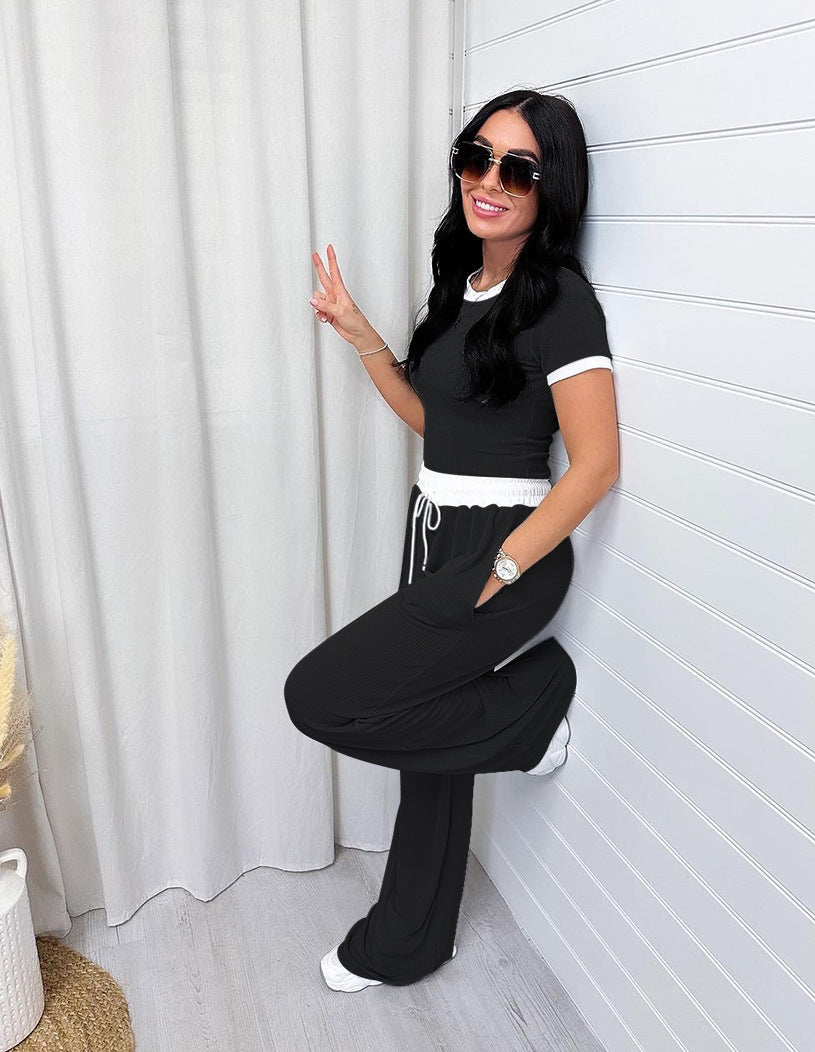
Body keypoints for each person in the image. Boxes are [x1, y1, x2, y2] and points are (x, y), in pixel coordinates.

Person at [283, 88, 619, 992]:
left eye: (519, 169)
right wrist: (363, 337)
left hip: (504, 547)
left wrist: (503, 568)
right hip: (434, 530)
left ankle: (530, 709)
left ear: (553, 187)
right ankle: (410, 942)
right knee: (425, 754)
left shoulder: (562, 302)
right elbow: (441, 425)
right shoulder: (461, 285)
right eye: (478, 158)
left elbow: (595, 465)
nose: (490, 181)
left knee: (320, 697)